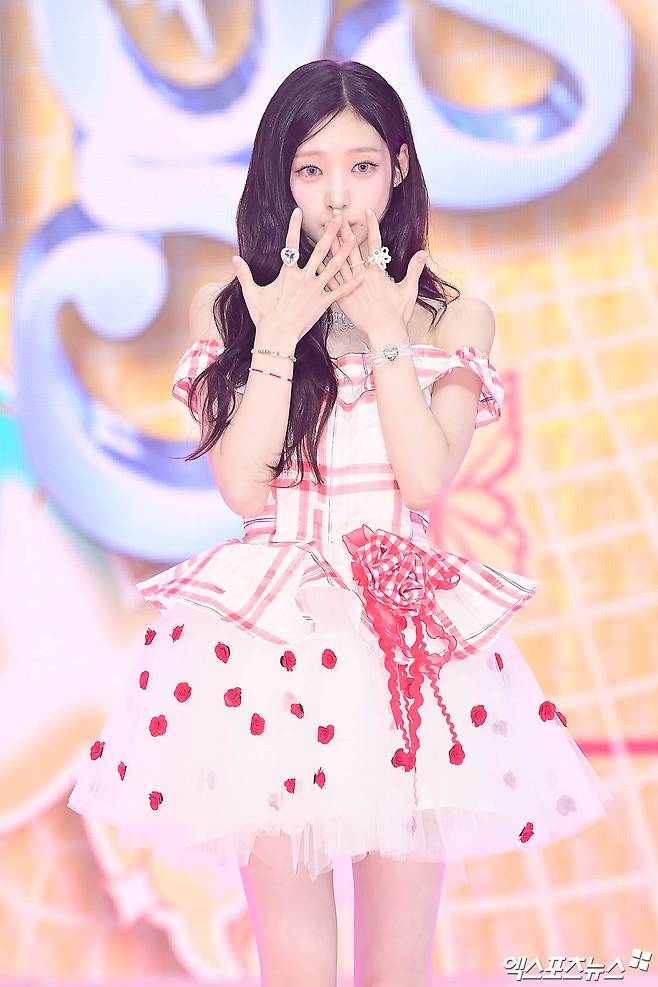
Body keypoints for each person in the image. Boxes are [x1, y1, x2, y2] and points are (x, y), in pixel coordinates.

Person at [67, 60, 614, 987]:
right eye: (311, 169)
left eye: (361, 166)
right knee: (296, 962)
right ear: (279, 178)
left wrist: (387, 333)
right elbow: (244, 487)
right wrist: (279, 336)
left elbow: (425, 476)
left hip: (400, 646)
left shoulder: (454, 317)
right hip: (269, 643)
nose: (337, 195)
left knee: (399, 965)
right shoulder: (233, 313)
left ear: (398, 166)